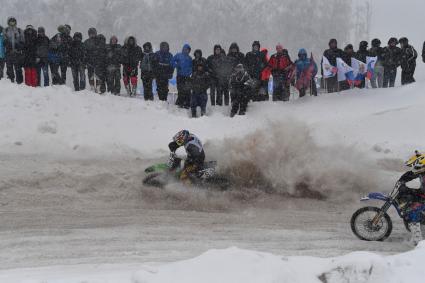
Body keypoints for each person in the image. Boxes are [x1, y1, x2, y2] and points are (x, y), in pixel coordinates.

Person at [397, 151, 425, 245]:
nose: (415, 169)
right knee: (409, 195)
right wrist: (402, 181)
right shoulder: (422, 172)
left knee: (414, 210)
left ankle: (418, 241)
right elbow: (412, 174)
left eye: (417, 167)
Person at [4, 17, 24, 84]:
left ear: (15, 22)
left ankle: (20, 83)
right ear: (8, 22)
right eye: (10, 21)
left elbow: (23, 40)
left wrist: (19, 46)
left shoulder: (19, 30)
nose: (12, 23)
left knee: (18, 69)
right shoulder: (6, 30)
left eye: (13, 21)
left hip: (17, 53)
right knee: (9, 69)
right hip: (8, 53)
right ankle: (10, 83)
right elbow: (4, 40)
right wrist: (7, 44)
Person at [172, 44, 193, 108]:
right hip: (180, 76)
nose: (187, 51)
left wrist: (189, 72)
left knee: (188, 91)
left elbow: (191, 67)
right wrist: (176, 65)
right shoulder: (178, 55)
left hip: (187, 77)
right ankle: (180, 104)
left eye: (188, 50)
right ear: (184, 49)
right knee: (180, 90)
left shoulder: (190, 58)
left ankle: (187, 104)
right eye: (186, 49)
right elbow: (172, 61)